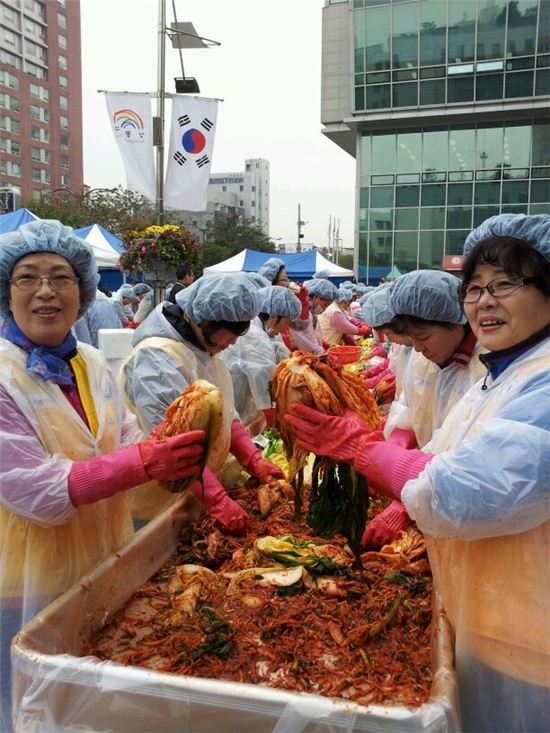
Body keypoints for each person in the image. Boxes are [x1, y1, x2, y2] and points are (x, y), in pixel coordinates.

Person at [285, 213, 550, 733]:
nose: (484, 301)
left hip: (530, 633)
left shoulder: (539, 382)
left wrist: (360, 449)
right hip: (491, 610)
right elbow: (437, 447)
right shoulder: (505, 371)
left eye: (505, 284)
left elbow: (463, 491)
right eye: (474, 288)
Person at [0, 220, 205, 733]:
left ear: (83, 291)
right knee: (31, 705)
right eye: (27, 277)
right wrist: (143, 463)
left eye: (61, 277)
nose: (46, 291)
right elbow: (37, 491)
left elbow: (131, 438)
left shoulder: (91, 362)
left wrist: (196, 464)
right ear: (6, 291)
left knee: (91, 705)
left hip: (103, 558)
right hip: (27, 579)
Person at [120, 273, 285, 534]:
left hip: (197, 488)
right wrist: (217, 499)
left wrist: (253, 460)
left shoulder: (206, 351)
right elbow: (173, 444)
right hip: (155, 500)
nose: (233, 342)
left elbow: (225, 413)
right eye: (231, 333)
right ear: (206, 319)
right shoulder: (157, 358)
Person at [222, 285, 301, 434]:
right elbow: (266, 389)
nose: (284, 329)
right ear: (273, 316)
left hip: (239, 403)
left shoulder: (257, 330)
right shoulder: (256, 336)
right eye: (285, 322)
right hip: (240, 406)